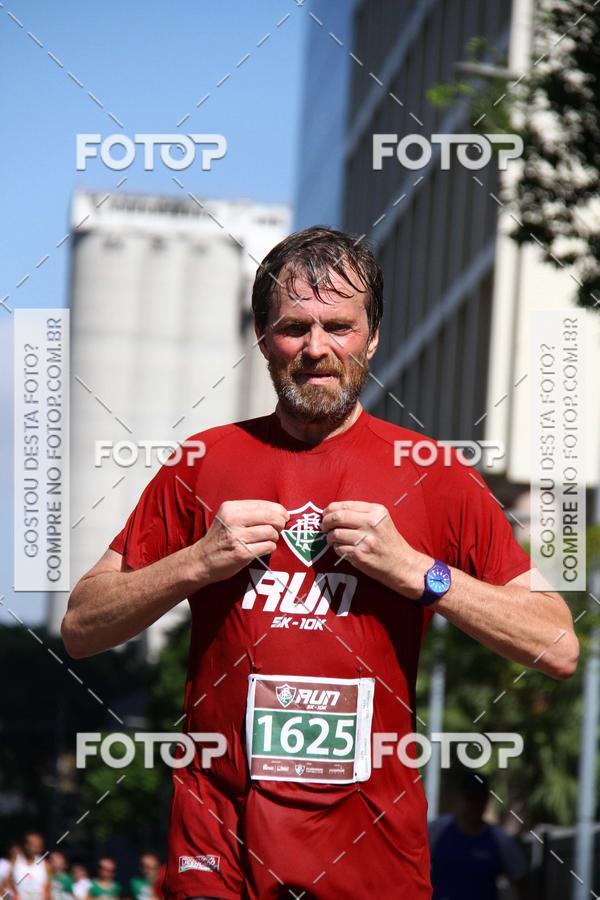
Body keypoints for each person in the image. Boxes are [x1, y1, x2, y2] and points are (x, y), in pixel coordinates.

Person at [62, 226, 579, 899]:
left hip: (371, 856)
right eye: (292, 328)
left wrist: (419, 572)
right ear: (260, 335)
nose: (315, 349)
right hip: (219, 846)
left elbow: (558, 643)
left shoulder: (431, 472)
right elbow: (81, 627)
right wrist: (198, 560)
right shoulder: (202, 462)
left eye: (338, 326)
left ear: (372, 338)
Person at [429, 772, 529, 900]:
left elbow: (523, 881)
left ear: (486, 801)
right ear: (460, 798)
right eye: (469, 799)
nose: (473, 806)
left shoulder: (500, 841)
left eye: (478, 800)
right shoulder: (437, 830)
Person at [7, 832, 51, 900]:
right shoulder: (15, 862)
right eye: (31, 844)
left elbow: (48, 890)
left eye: (36, 845)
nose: (33, 848)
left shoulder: (45, 865)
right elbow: (6, 884)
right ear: (25, 844)